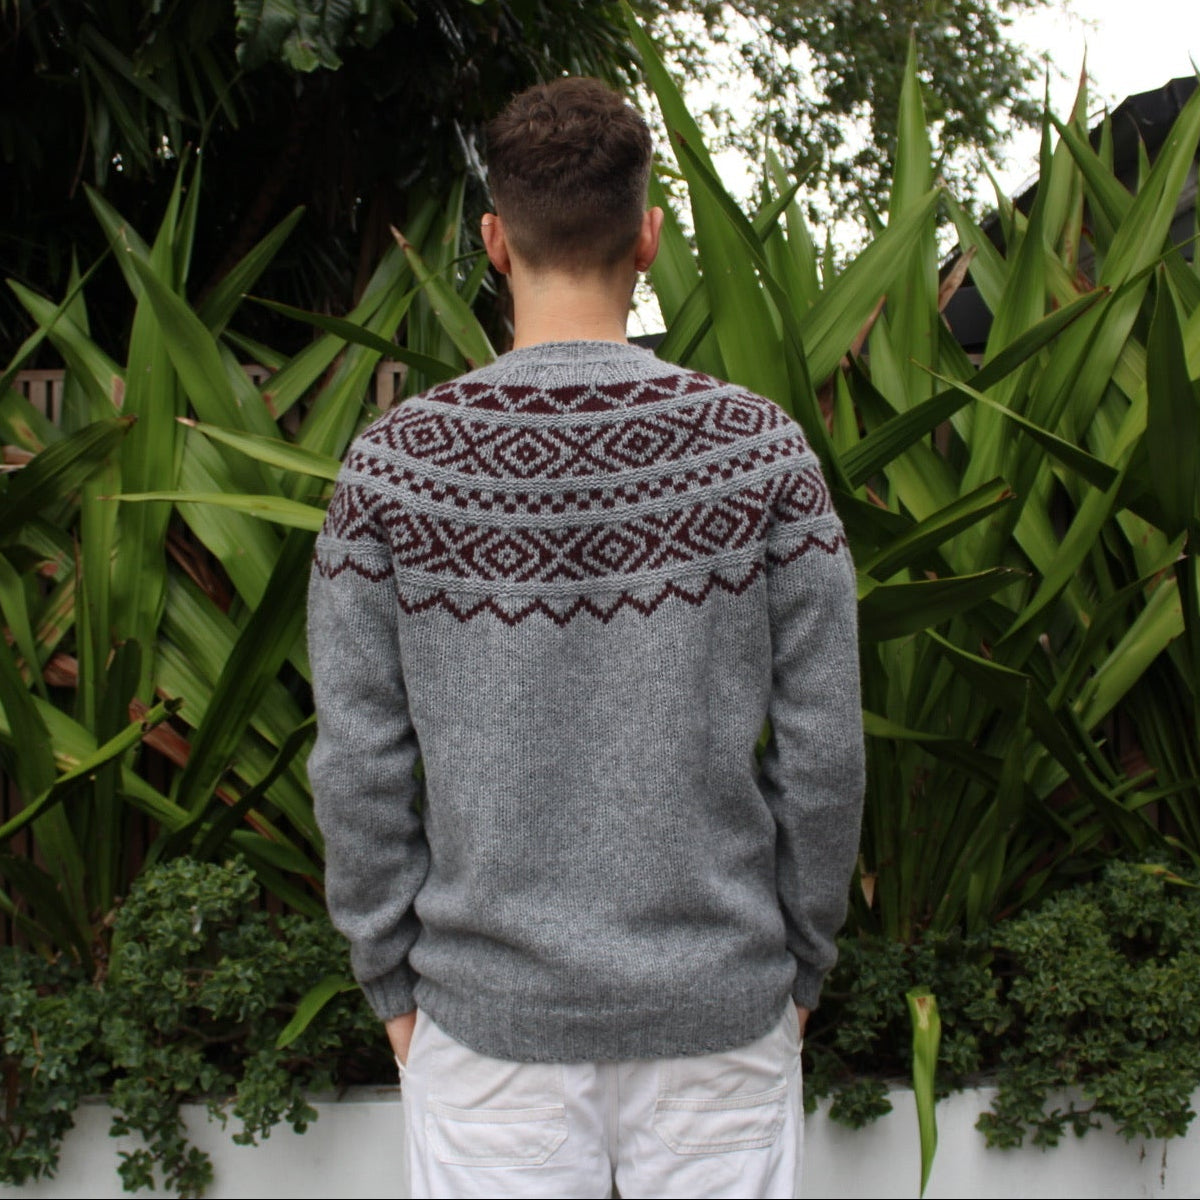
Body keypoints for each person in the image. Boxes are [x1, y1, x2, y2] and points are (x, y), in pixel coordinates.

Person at [306, 76, 864, 1200]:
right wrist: (803, 960)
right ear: (648, 237)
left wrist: (392, 986)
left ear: (494, 241)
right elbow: (826, 751)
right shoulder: (759, 453)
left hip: (485, 1025)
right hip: (719, 1014)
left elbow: (358, 760)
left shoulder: (394, 469)